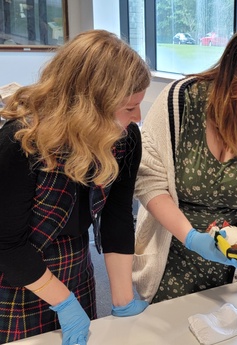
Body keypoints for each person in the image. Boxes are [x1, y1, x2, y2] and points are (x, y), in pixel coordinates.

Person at [0, 29, 151, 344]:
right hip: (16, 275)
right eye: (128, 107)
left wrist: (122, 299)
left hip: (75, 264)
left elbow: (117, 217)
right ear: (88, 107)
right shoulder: (21, 141)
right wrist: (64, 304)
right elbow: (7, 245)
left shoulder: (125, 140)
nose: (137, 117)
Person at [133, 22, 237, 303]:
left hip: (227, 267)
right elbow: (150, 181)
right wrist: (191, 238)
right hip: (169, 255)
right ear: (230, 72)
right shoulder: (180, 101)